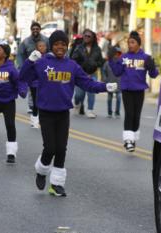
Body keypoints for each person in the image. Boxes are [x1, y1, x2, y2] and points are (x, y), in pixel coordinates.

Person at [19, 30, 117, 197]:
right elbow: (23, 76)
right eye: (57, 44)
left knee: (61, 149)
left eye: (63, 44)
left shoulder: (71, 65)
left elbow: (87, 83)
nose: (60, 47)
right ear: (52, 45)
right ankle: (41, 171)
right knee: (50, 148)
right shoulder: (42, 63)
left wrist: (105, 87)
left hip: (63, 111)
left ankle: (56, 184)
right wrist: (29, 61)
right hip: (46, 111)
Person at [109, 31, 158, 152]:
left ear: (138, 44)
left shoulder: (145, 58)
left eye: (132, 42)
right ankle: (128, 140)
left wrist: (152, 66)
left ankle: (133, 138)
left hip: (139, 90)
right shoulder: (124, 57)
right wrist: (111, 59)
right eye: (128, 42)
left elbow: (154, 75)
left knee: (136, 116)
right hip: (127, 90)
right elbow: (117, 72)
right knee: (129, 114)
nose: (130, 45)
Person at [16, 22, 49, 113]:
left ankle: (39, 105)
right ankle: (32, 105)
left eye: (37, 29)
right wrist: (22, 66)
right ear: (31, 30)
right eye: (33, 29)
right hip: (30, 67)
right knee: (32, 87)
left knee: (41, 88)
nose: (35, 30)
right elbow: (20, 54)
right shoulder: (26, 42)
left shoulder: (46, 40)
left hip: (43, 68)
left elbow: (49, 52)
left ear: (40, 30)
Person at [71, 29, 104, 118]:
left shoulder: (97, 49)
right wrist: (80, 71)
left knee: (91, 91)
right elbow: (74, 60)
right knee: (79, 94)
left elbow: (101, 62)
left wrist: (95, 64)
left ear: (93, 38)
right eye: (85, 35)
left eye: (89, 36)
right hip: (80, 74)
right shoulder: (79, 48)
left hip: (92, 73)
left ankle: (90, 110)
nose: (86, 37)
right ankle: (77, 103)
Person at [28, 39, 47, 128]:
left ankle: (41, 119)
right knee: (36, 101)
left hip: (44, 83)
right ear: (36, 48)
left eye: (44, 46)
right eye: (40, 46)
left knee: (43, 101)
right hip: (34, 83)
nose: (42, 47)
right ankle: (34, 119)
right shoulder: (33, 56)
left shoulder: (47, 57)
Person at [103, 46, 122, 118]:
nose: (116, 55)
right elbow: (104, 71)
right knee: (109, 98)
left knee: (119, 98)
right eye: (115, 53)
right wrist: (105, 79)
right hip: (110, 83)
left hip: (119, 84)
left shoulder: (122, 63)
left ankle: (117, 113)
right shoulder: (108, 63)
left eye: (118, 54)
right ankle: (109, 112)